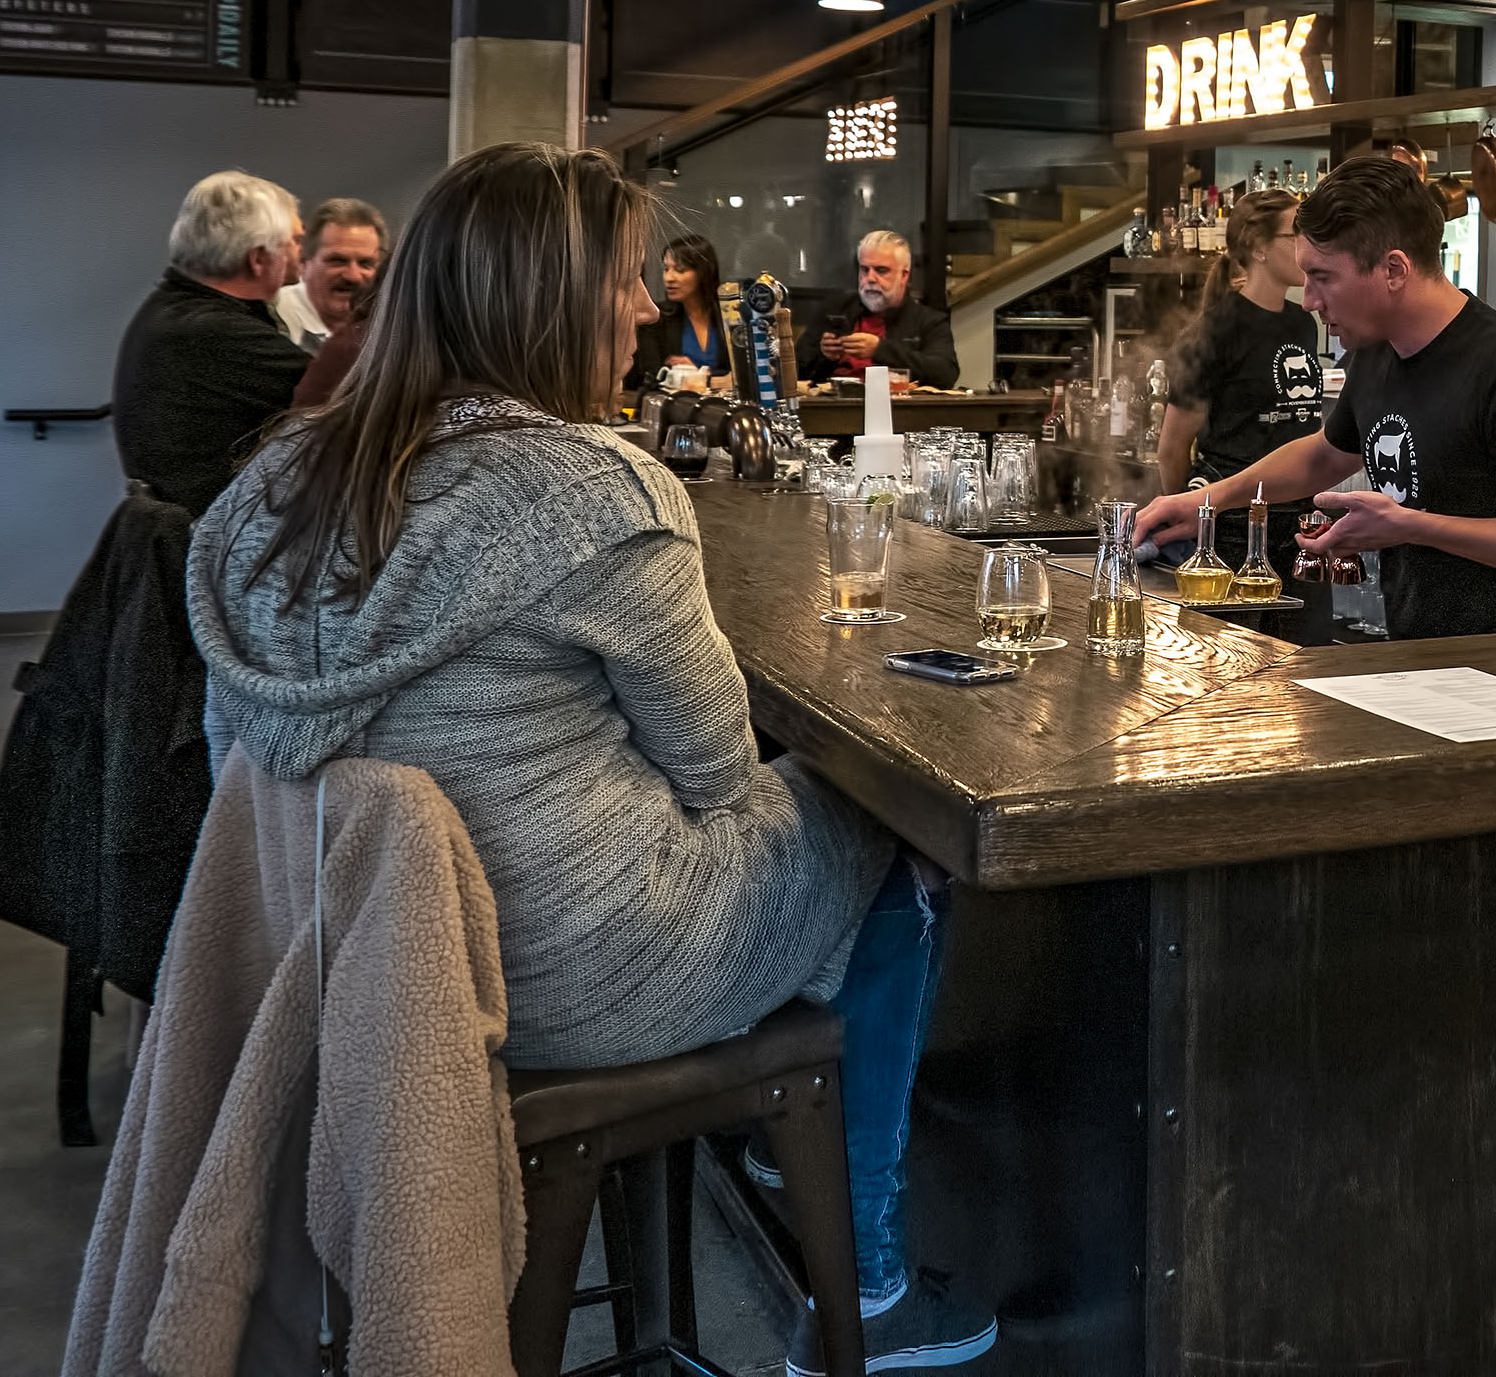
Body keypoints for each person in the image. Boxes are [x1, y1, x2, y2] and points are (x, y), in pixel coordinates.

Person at [184, 143, 993, 1376]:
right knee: (879, 809)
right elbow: (719, 775)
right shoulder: (595, 490)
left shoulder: (277, 479)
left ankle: (795, 1139)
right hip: (566, 972)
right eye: (622, 280)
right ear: (546, 299)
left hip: (341, 950)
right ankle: (865, 1267)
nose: (640, 306)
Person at [1135, 155, 1496, 639]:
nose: (1311, 302)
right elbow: (1323, 455)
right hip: (1416, 656)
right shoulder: (1377, 353)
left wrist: (1409, 527)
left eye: (1323, 278)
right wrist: (1208, 500)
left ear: (1394, 270)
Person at [113, 172, 314, 518]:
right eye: (294, 241)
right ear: (259, 258)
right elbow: (354, 397)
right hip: (210, 551)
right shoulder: (213, 331)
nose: (301, 252)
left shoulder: (173, 308)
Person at [1154, 191, 1326, 499]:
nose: (1308, 246)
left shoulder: (1303, 323)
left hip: (1295, 505)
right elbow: (1171, 450)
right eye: (1296, 234)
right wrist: (1192, 521)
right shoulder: (1215, 330)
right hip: (1232, 515)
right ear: (1260, 248)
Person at [798, 229, 959, 389]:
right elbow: (795, 371)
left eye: (881, 270)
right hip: (833, 407)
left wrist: (879, 350)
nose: (870, 279)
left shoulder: (929, 321)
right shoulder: (834, 310)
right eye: (864, 269)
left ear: (904, 275)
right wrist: (825, 356)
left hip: (898, 409)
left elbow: (945, 373)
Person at [272, 197, 390, 353]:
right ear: (303, 262)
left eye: (365, 263)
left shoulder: (392, 325)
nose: (352, 276)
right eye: (338, 261)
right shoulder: (269, 318)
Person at [629, 232, 735, 391]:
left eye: (680, 269)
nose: (669, 278)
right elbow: (650, 376)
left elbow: (740, 375)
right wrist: (711, 379)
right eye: (666, 269)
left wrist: (697, 376)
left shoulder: (727, 316)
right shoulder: (656, 318)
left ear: (703, 272)